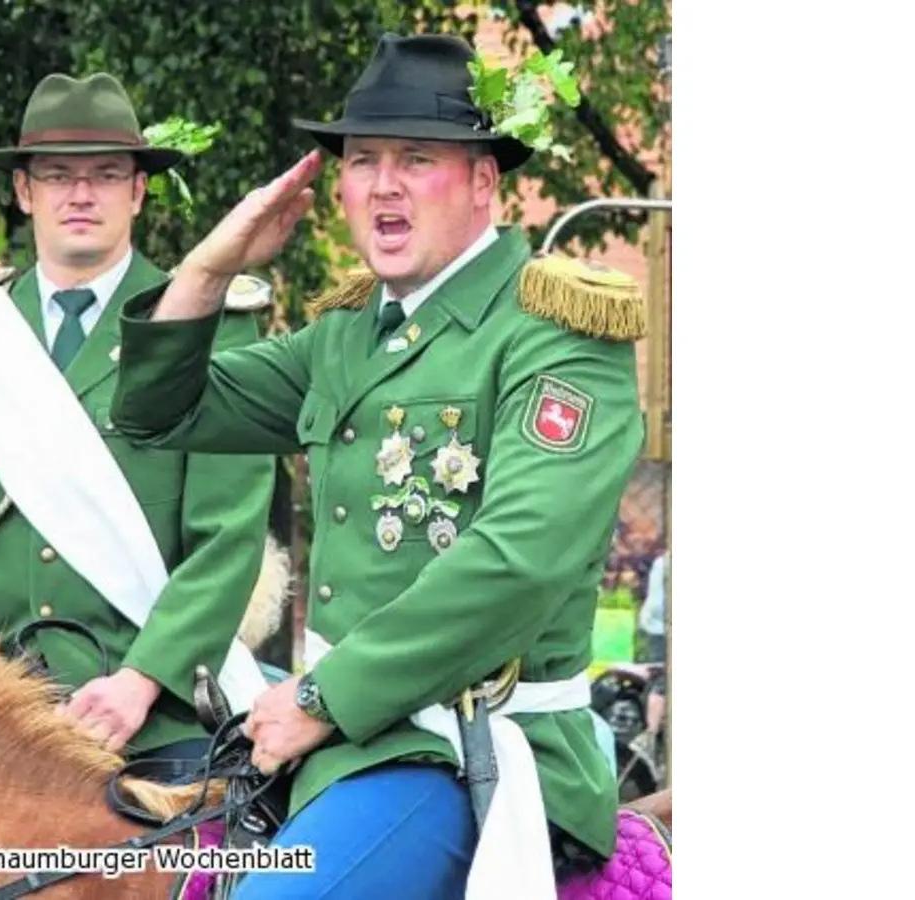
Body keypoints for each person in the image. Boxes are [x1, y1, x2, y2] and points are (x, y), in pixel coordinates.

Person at [108, 34, 646, 898]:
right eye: (362, 161)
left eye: (417, 158)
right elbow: (155, 410)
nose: (384, 184)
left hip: (465, 750)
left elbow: (520, 559)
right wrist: (214, 263)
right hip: (344, 743)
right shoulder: (349, 335)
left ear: (483, 181)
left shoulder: (555, 329)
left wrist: (320, 699)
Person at [0, 72, 282, 768]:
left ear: (138, 191)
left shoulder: (212, 326)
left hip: (154, 715)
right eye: (58, 174)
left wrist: (140, 681)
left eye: (105, 173)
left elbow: (226, 543)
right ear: (24, 191)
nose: (81, 193)